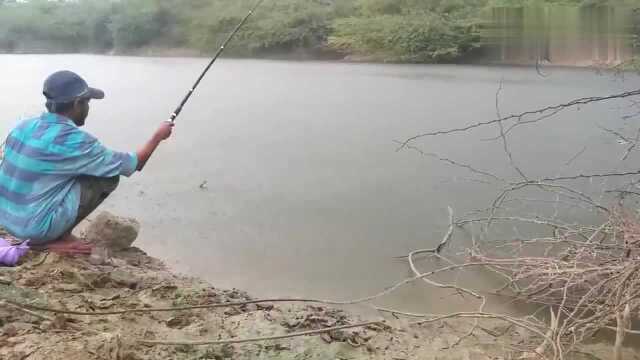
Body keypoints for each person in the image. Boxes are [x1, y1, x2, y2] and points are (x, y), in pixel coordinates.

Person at [0, 70, 174, 255]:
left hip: (6, 220)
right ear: (77, 104)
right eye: (87, 102)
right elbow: (133, 164)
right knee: (108, 176)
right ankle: (52, 239)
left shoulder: (23, 126)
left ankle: (44, 233)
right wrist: (158, 136)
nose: (88, 108)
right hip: (33, 230)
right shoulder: (76, 141)